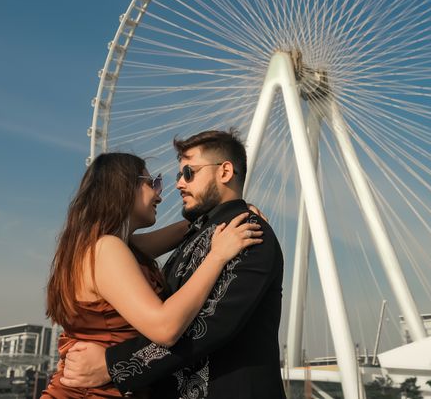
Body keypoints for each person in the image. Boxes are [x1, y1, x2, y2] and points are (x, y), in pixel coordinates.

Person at [59, 129, 287, 399]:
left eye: (188, 173)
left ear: (225, 172)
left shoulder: (244, 233)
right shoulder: (115, 246)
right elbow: (169, 324)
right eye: (177, 176)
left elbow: (204, 327)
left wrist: (113, 365)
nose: (176, 184)